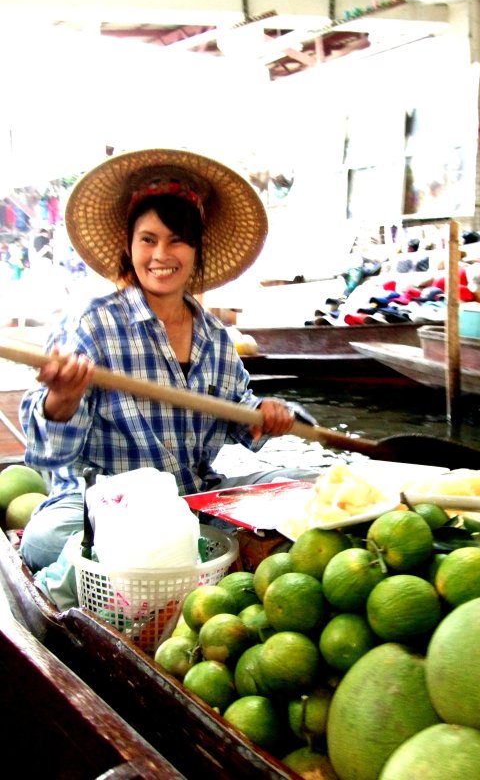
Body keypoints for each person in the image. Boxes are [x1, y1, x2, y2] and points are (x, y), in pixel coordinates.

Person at [19, 148, 320, 581]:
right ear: (129, 245)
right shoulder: (91, 323)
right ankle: (189, 550)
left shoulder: (214, 337)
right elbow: (49, 455)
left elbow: (242, 415)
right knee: (46, 538)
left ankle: (182, 545)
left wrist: (267, 416)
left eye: (177, 239)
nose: (162, 254)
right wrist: (62, 399)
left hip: (191, 497)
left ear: (196, 249)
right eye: (148, 239)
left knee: (311, 482)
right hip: (107, 503)